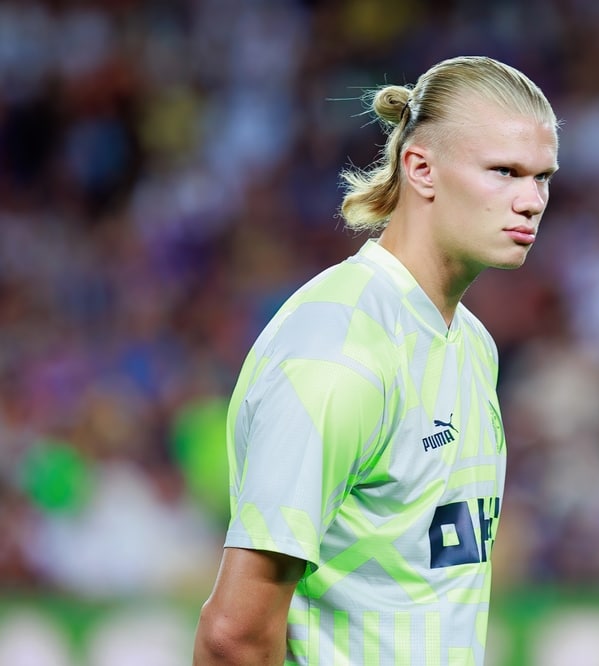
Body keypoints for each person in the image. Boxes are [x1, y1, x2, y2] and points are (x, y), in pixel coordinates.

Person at [192, 55, 560, 666]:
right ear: (421, 168)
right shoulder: (339, 353)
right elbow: (234, 636)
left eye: (542, 176)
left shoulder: (470, 342)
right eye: (505, 172)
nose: (531, 201)